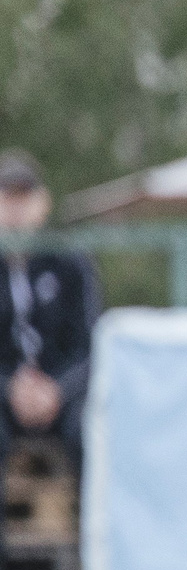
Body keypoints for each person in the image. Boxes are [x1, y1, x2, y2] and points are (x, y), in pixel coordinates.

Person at [0, 151, 101, 477]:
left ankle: (95, 512)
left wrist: (58, 389)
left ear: (42, 202)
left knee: (95, 429)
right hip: (6, 395)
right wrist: (9, 388)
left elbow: (91, 345)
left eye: (23, 196)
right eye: (7, 196)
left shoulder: (71, 262)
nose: (15, 208)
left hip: (64, 395)